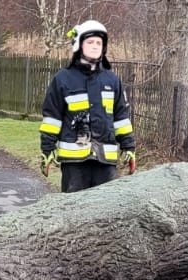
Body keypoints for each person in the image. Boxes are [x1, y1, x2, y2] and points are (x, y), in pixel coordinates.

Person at [39, 20, 137, 192]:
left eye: (99, 43)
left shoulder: (112, 80)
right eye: (90, 42)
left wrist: (129, 146)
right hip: (74, 162)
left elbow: (121, 117)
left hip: (105, 161)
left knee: (107, 211)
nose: (95, 46)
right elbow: (52, 118)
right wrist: (47, 149)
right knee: (74, 210)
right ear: (79, 45)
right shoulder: (63, 79)